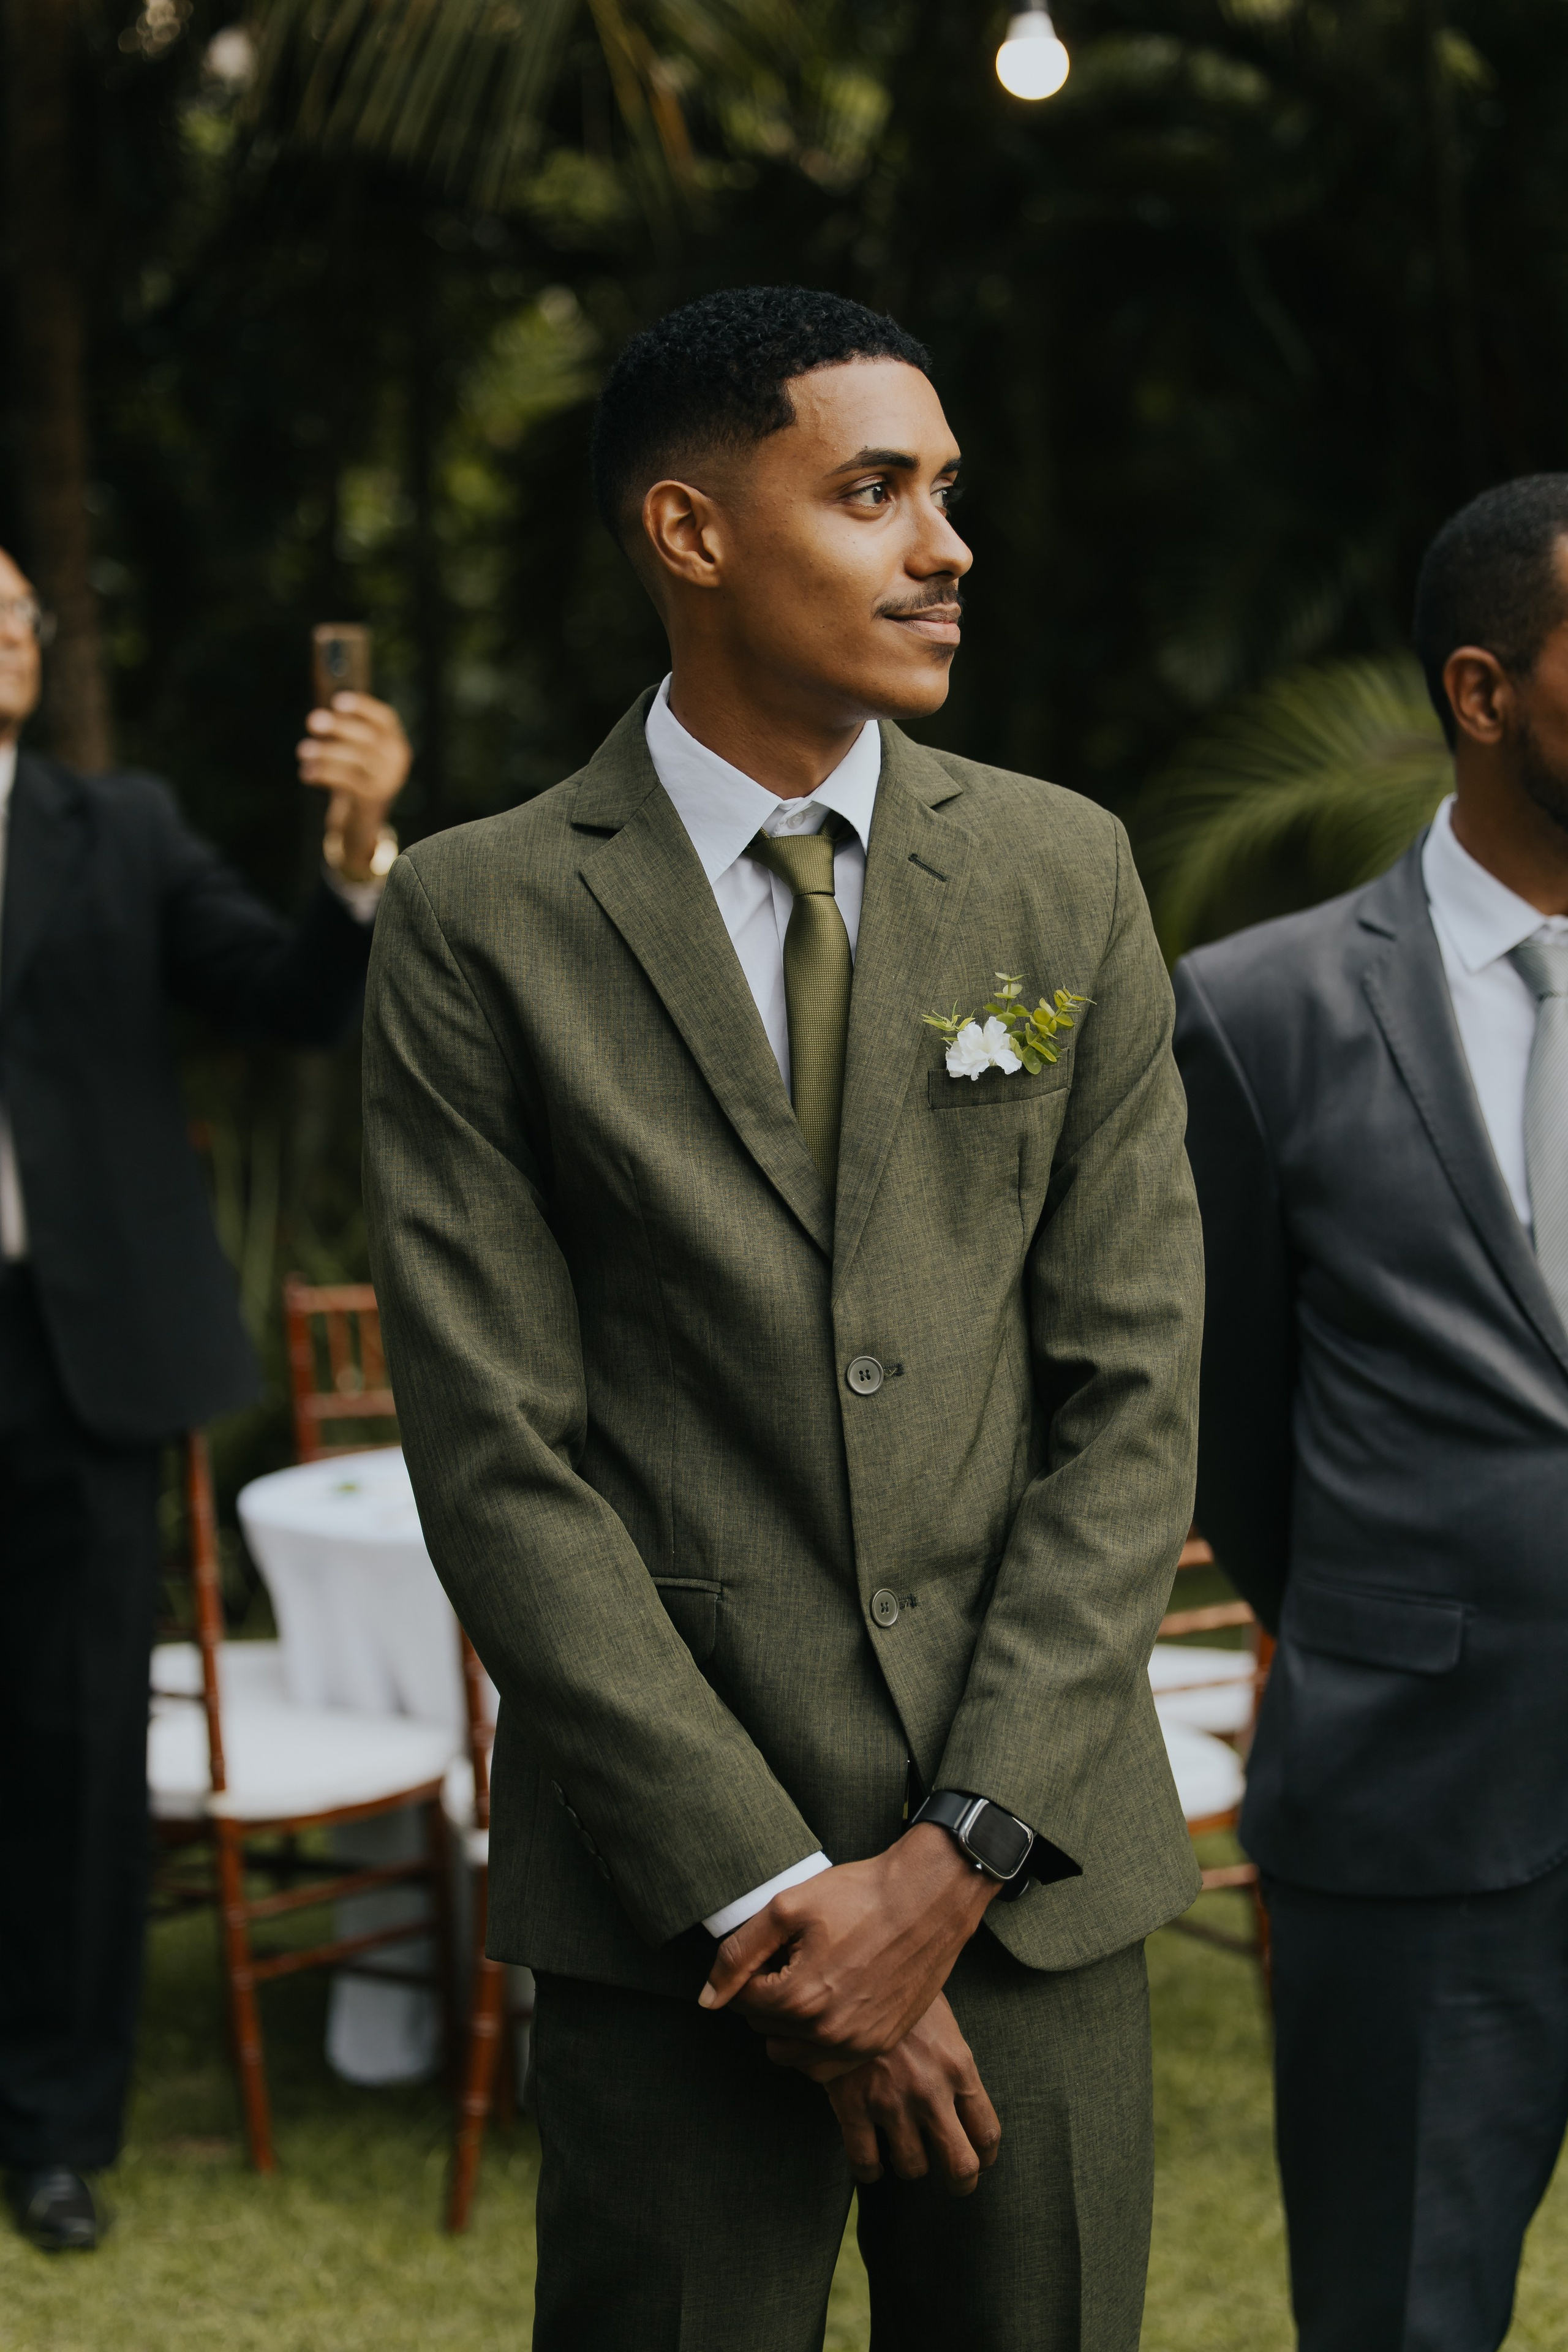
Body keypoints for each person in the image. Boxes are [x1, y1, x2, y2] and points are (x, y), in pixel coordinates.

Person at [363, 285, 1200, 2350]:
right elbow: (500, 1458)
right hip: (681, 1928)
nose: (947, 544)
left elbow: (1134, 1394)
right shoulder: (478, 920)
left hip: (1031, 1890)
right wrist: (778, 1901)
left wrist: (953, 1864)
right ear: (691, 530)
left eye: (948, 492)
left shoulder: (1061, 874)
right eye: (875, 489)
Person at [1175, 475, 1568, 2351]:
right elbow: (1229, 1424)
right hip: (1414, 1819)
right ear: (1484, 692)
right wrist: (1392, 1615)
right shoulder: (1258, 1014)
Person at [0, 544, 410, 2253]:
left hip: (72, 1360)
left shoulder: (124, 828)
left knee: (82, 1749)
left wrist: (356, 855)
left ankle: (53, 2131)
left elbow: (293, 1000)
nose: (10, 636)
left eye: (21, 614)